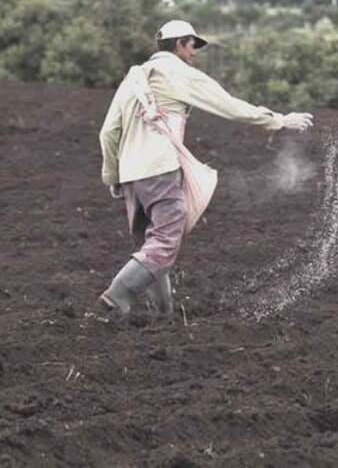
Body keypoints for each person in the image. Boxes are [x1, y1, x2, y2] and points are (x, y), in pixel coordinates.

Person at [98, 20, 314, 316]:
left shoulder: (133, 79)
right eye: (192, 46)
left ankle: (164, 315)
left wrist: (113, 176)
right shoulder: (178, 73)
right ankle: (115, 298)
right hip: (160, 169)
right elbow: (227, 104)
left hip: (132, 175)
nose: (194, 53)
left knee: (151, 245)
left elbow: (108, 132)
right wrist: (278, 120)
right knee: (164, 242)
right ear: (179, 44)